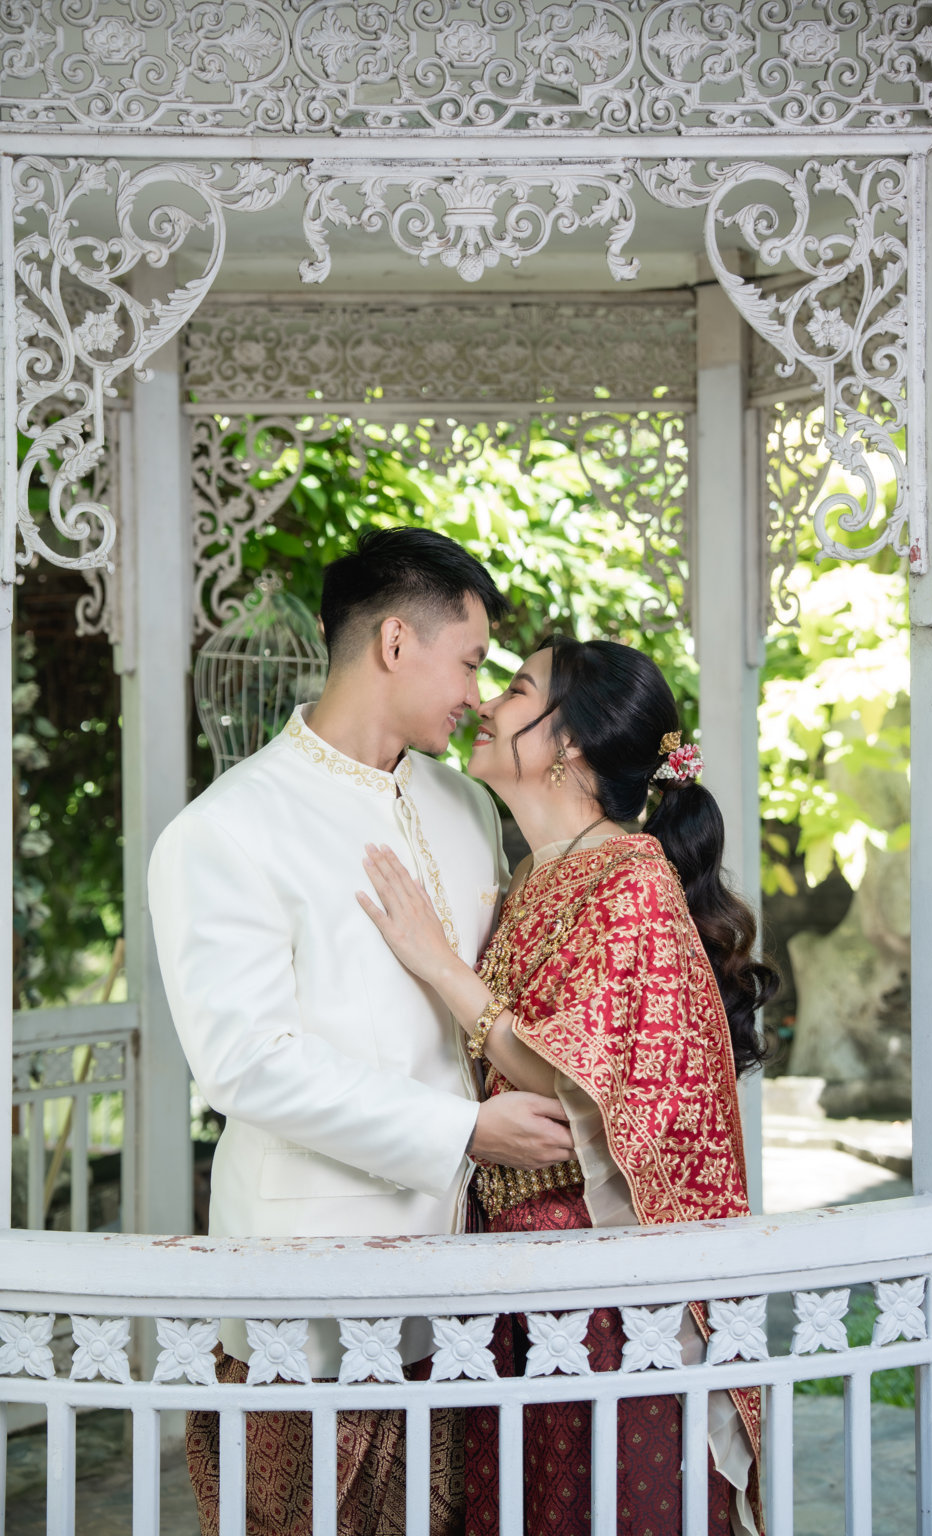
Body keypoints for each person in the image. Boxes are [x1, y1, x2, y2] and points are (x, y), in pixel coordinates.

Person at [149, 528, 575, 1536]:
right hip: (308, 1279)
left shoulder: (463, 805)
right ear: (394, 642)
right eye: (469, 661)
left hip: (461, 1276)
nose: (478, 693)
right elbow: (247, 1065)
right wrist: (463, 1132)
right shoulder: (228, 828)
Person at [359, 634, 779, 1536]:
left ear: (571, 742)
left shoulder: (633, 881)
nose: (485, 702)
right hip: (518, 1268)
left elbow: (567, 1072)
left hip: (602, 1286)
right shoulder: (534, 877)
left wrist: (437, 961)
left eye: (515, 689)